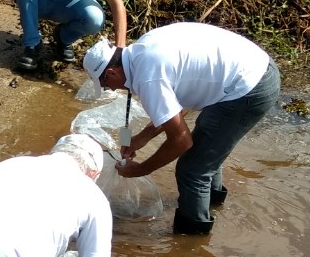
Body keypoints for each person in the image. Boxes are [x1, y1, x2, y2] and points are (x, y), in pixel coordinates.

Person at [83, 24, 281, 235]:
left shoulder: (148, 76)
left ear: (112, 72)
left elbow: (181, 140)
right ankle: (212, 203)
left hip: (250, 87)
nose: (111, 89)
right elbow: (185, 101)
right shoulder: (142, 50)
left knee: (192, 168)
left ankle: (192, 241)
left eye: (106, 85)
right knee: (207, 144)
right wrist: (144, 136)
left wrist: (140, 170)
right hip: (254, 66)